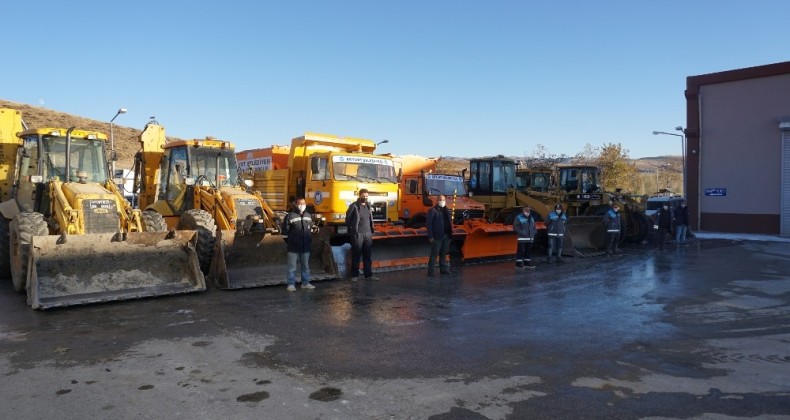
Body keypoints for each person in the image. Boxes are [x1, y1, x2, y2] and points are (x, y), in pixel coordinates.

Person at [282, 197, 319, 292]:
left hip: (305, 245)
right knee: (292, 267)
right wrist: (291, 242)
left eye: (303, 203)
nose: (302, 205)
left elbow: (310, 226)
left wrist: (315, 227)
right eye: (300, 204)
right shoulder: (290, 216)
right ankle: (291, 284)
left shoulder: (308, 215)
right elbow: (284, 232)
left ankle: (305, 283)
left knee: (306, 266)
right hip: (293, 246)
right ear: (295, 204)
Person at [345, 188, 378, 281]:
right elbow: (348, 218)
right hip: (358, 233)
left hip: (368, 233)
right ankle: (354, 275)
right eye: (363, 196)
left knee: (367, 254)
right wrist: (352, 229)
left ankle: (368, 275)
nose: (365, 198)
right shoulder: (354, 206)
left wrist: (372, 230)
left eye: (366, 196)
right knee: (356, 254)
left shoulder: (368, 205)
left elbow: (370, 218)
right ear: (359, 196)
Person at [426, 194, 453, 277]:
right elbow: (429, 224)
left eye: (443, 200)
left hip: (447, 235)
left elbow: (449, 222)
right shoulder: (433, 211)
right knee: (434, 254)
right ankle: (430, 272)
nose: (442, 201)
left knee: (443, 254)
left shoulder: (447, 210)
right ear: (437, 201)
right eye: (440, 200)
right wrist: (430, 236)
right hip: (437, 237)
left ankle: (443, 269)